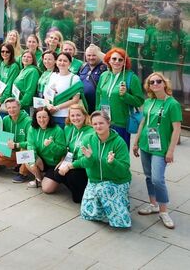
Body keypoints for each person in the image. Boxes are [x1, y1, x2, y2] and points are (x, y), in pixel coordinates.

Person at [62, 111, 132, 229]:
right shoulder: (88, 139)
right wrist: (89, 158)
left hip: (116, 181)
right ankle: (110, 207)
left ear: (108, 123)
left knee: (119, 220)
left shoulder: (119, 142)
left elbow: (124, 170)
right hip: (95, 181)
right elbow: (84, 163)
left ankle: (119, 204)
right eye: (95, 124)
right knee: (88, 214)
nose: (98, 126)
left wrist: (113, 162)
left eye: (101, 123)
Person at [132, 72, 182, 229]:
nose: (155, 84)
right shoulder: (148, 102)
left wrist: (171, 151)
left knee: (158, 179)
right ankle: (153, 204)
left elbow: (177, 129)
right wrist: (136, 142)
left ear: (164, 83)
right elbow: (143, 123)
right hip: (145, 145)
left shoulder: (172, 104)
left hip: (161, 148)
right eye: (151, 82)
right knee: (149, 176)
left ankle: (163, 211)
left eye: (158, 81)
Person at [96, 48, 144, 147]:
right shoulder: (104, 75)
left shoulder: (131, 77)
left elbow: (139, 101)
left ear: (124, 62)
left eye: (120, 59)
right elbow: (98, 96)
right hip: (103, 121)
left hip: (121, 124)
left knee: (120, 152)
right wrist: (96, 115)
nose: (117, 61)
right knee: (103, 151)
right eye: (114, 59)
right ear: (109, 60)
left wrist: (125, 95)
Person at [54, 104, 93, 202]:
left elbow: (84, 159)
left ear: (85, 115)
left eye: (78, 115)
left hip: (84, 165)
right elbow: (65, 148)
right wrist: (63, 160)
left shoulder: (91, 132)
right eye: (72, 115)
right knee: (57, 173)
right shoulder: (68, 128)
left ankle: (83, 192)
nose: (75, 118)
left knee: (73, 175)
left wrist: (69, 166)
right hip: (70, 160)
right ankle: (77, 189)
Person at [24, 106, 67, 188]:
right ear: (35, 118)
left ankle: (46, 176)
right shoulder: (32, 129)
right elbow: (30, 145)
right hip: (40, 160)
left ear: (49, 117)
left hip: (53, 163)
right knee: (26, 157)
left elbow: (62, 151)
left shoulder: (57, 130)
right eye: (39, 117)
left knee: (47, 189)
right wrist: (33, 160)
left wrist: (51, 145)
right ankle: (39, 179)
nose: (42, 120)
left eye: (44, 117)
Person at [0, 97, 32, 181]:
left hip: (24, 149)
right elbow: (3, 137)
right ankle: (18, 164)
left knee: (25, 150)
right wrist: (1, 149)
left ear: (19, 107)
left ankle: (23, 173)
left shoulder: (28, 121)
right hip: (12, 151)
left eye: (14, 107)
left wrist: (16, 145)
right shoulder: (5, 119)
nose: (11, 110)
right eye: (9, 108)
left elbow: (31, 143)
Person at [44, 53, 85, 127]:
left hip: (65, 116)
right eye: (60, 60)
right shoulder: (52, 75)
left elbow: (75, 100)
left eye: (65, 61)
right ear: (56, 62)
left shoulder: (74, 78)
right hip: (50, 115)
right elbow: (46, 95)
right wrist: (48, 105)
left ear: (70, 63)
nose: (62, 63)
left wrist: (57, 108)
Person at [77, 44, 107, 113]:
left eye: (94, 55)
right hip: (83, 107)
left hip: (98, 107)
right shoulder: (83, 67)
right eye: (89, 55)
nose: (91, 58)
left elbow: (110, 60)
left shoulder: (105, 67)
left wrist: (98, 52)